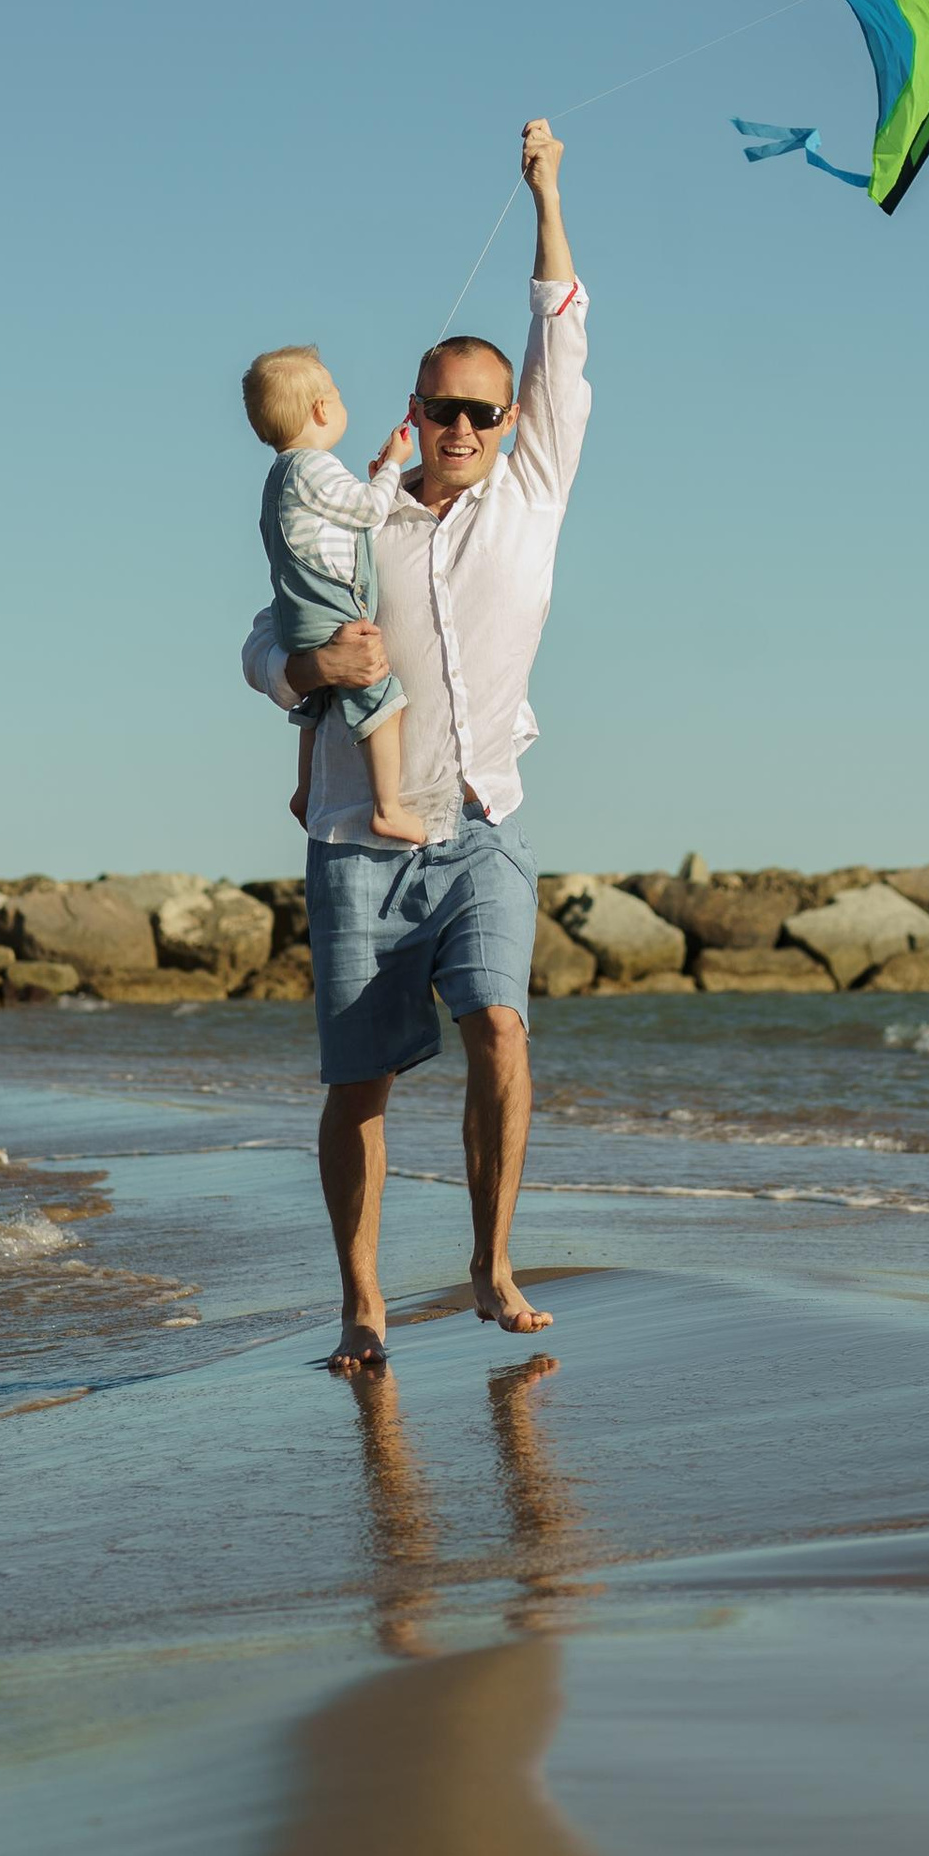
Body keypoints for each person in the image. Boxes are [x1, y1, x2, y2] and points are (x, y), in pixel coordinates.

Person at [241, 119, 589, 1375]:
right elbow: (259, 640)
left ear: (505, 423)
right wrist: (306, 670)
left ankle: (492, 1267)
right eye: (441, 408)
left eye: (480, 414)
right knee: (363, 1089)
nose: (460, 428)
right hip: (357, 843)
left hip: (483, 821)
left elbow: (562, 329)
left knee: (500, 1028)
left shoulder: (534, 491)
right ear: (413, 410)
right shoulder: (358, 515)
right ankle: (362, 1303)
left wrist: (546, 192)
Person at [241, 349, 423, 843]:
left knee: (319, 700)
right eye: (338, 397)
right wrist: (393, 468)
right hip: (329, 607)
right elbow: (367, 511)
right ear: (322, 409)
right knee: (379, 693)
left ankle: (305, 790)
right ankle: (388, 807)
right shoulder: (315, 467)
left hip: (296, 612)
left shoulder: (281, 475)